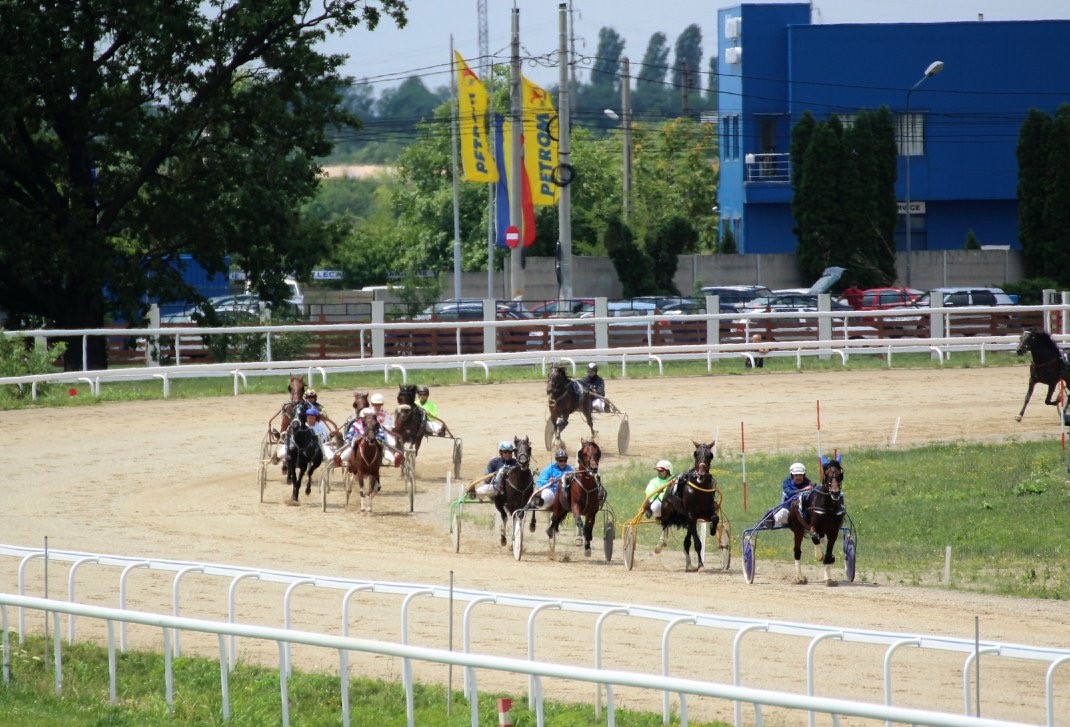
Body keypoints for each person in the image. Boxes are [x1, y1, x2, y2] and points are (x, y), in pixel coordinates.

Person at [771, 462, 817, 537]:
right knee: (780, 516)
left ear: (804, 475)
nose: (798, 477)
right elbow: (789, 493)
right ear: (792, 475)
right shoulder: (787, 482)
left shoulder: (808, 482)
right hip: (788, 506)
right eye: (796, 475)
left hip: (803, 508)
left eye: (800, 475)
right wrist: (803, 490)